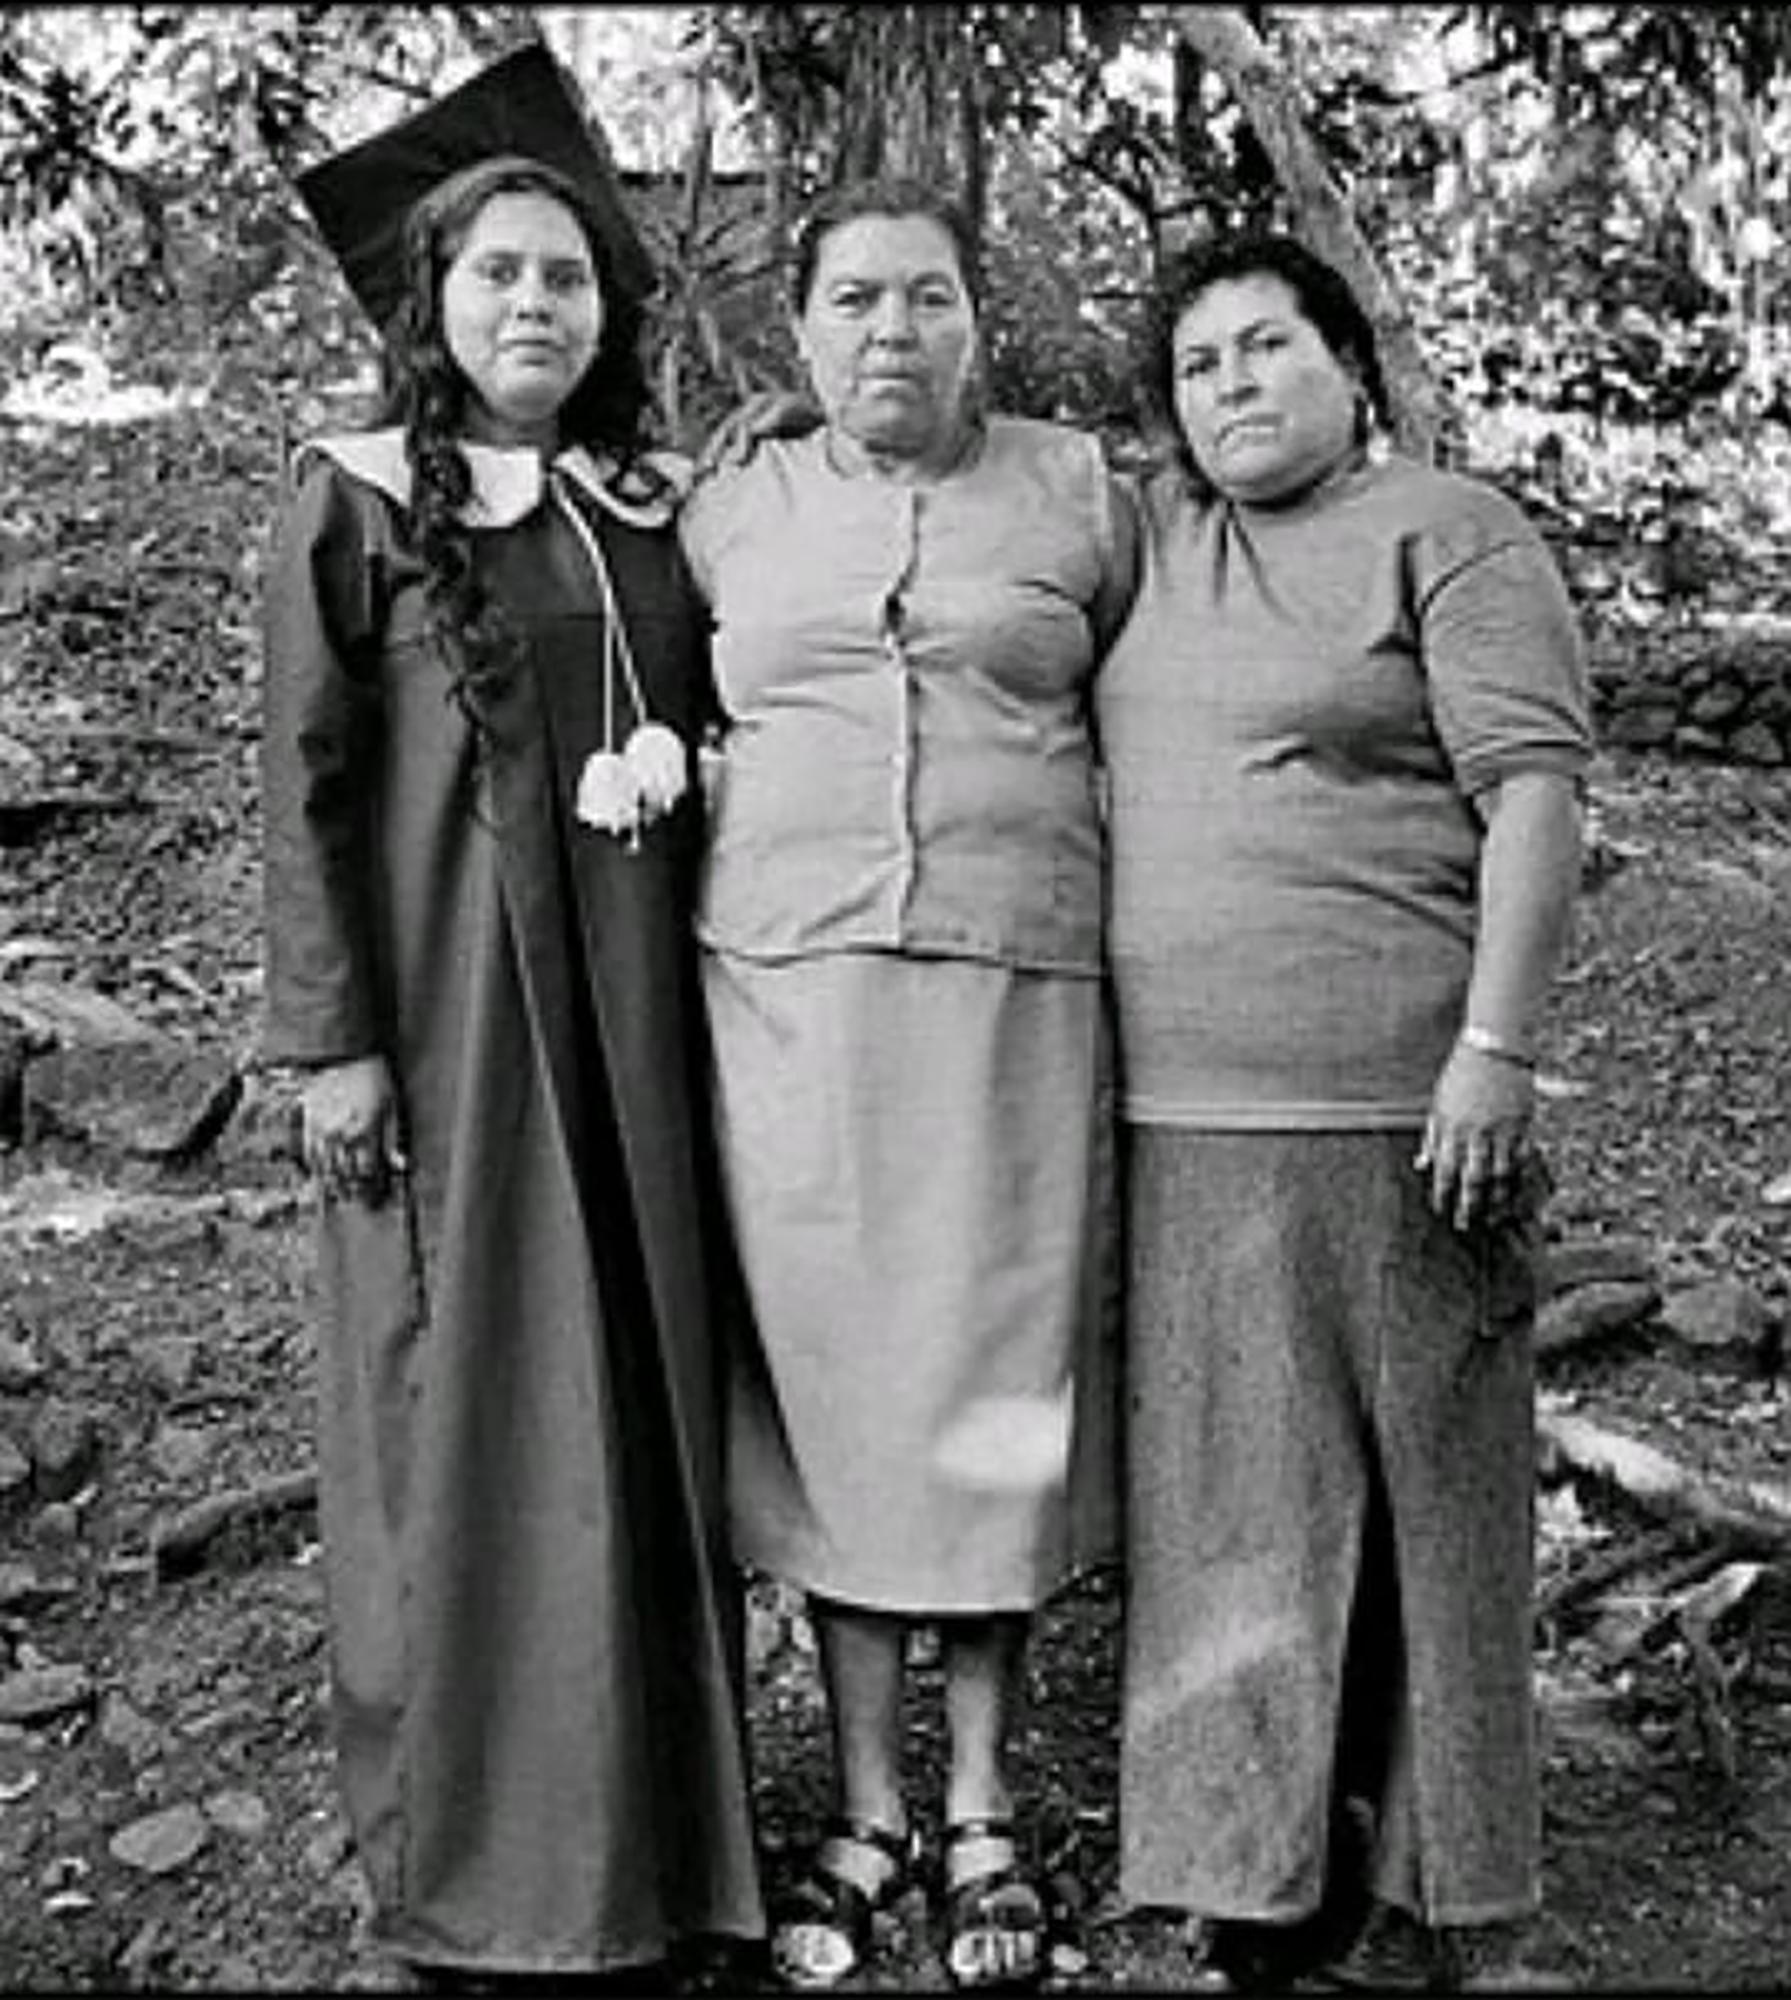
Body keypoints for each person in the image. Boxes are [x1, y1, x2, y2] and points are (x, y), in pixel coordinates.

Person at [259, 45, 764, 1989]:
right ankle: (480, 1880)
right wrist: (334, 1039)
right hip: (458, 1040)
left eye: (565, 275)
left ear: (607, 304)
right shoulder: (360, 499)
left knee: (640, 1411)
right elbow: (300, 785)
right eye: (496, 278)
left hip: (645, 1036)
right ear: (432, 305)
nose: (534, 305)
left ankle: (662, 1863)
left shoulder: (656, 502)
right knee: (465, 1415)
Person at [1096, 232, 1591, 1992]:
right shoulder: (1151, 546)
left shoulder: (1450, 531)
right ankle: (1256, 1882)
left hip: (1403, 1106)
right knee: (1236, 1515)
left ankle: (1441, 1898)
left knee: (1430, 1513)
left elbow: (1534, 793)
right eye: (1198, 365)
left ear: (1349, 362)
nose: (1231, 385)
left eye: (1264, 348)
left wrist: (1498, 1051)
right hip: (1183, 1120)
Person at [677, 176, 1137, 1991]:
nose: (894, 331)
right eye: (857, 300)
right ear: (799, 332)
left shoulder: (1085, 495)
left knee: (991, 1384)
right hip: (785, 1004)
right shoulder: (728, 507)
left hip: (1017, 995)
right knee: (840, 1396)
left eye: (929, 299)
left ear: (979, 323)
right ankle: (868, 1806)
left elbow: (1174, 698)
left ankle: (983, 1806)